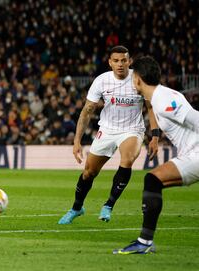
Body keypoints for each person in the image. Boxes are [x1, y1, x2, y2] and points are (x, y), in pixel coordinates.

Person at [58, 46, 159, 224]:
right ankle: (76, 208)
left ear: (129, 61)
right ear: (110, 63)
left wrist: (155, 136)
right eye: (116, 61)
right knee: (89, 172)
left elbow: (151, 107)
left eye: (123, 60)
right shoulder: (101, 81)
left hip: (132, 130)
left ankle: (108, 205)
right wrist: (77, 141)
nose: (120, 64)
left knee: (127, 159)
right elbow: (87, 111)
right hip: (106, 130)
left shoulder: (139, 78)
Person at [114, 56, 199, 254]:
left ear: (138, 79)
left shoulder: (164, 99)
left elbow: (196, 119)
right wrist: (155, 137)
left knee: (152, 180)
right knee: (154, 181)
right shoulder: (159, 97)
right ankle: (145, 242)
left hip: (197, 153)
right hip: (192, 152)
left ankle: (144, 242)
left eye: (132, 76)